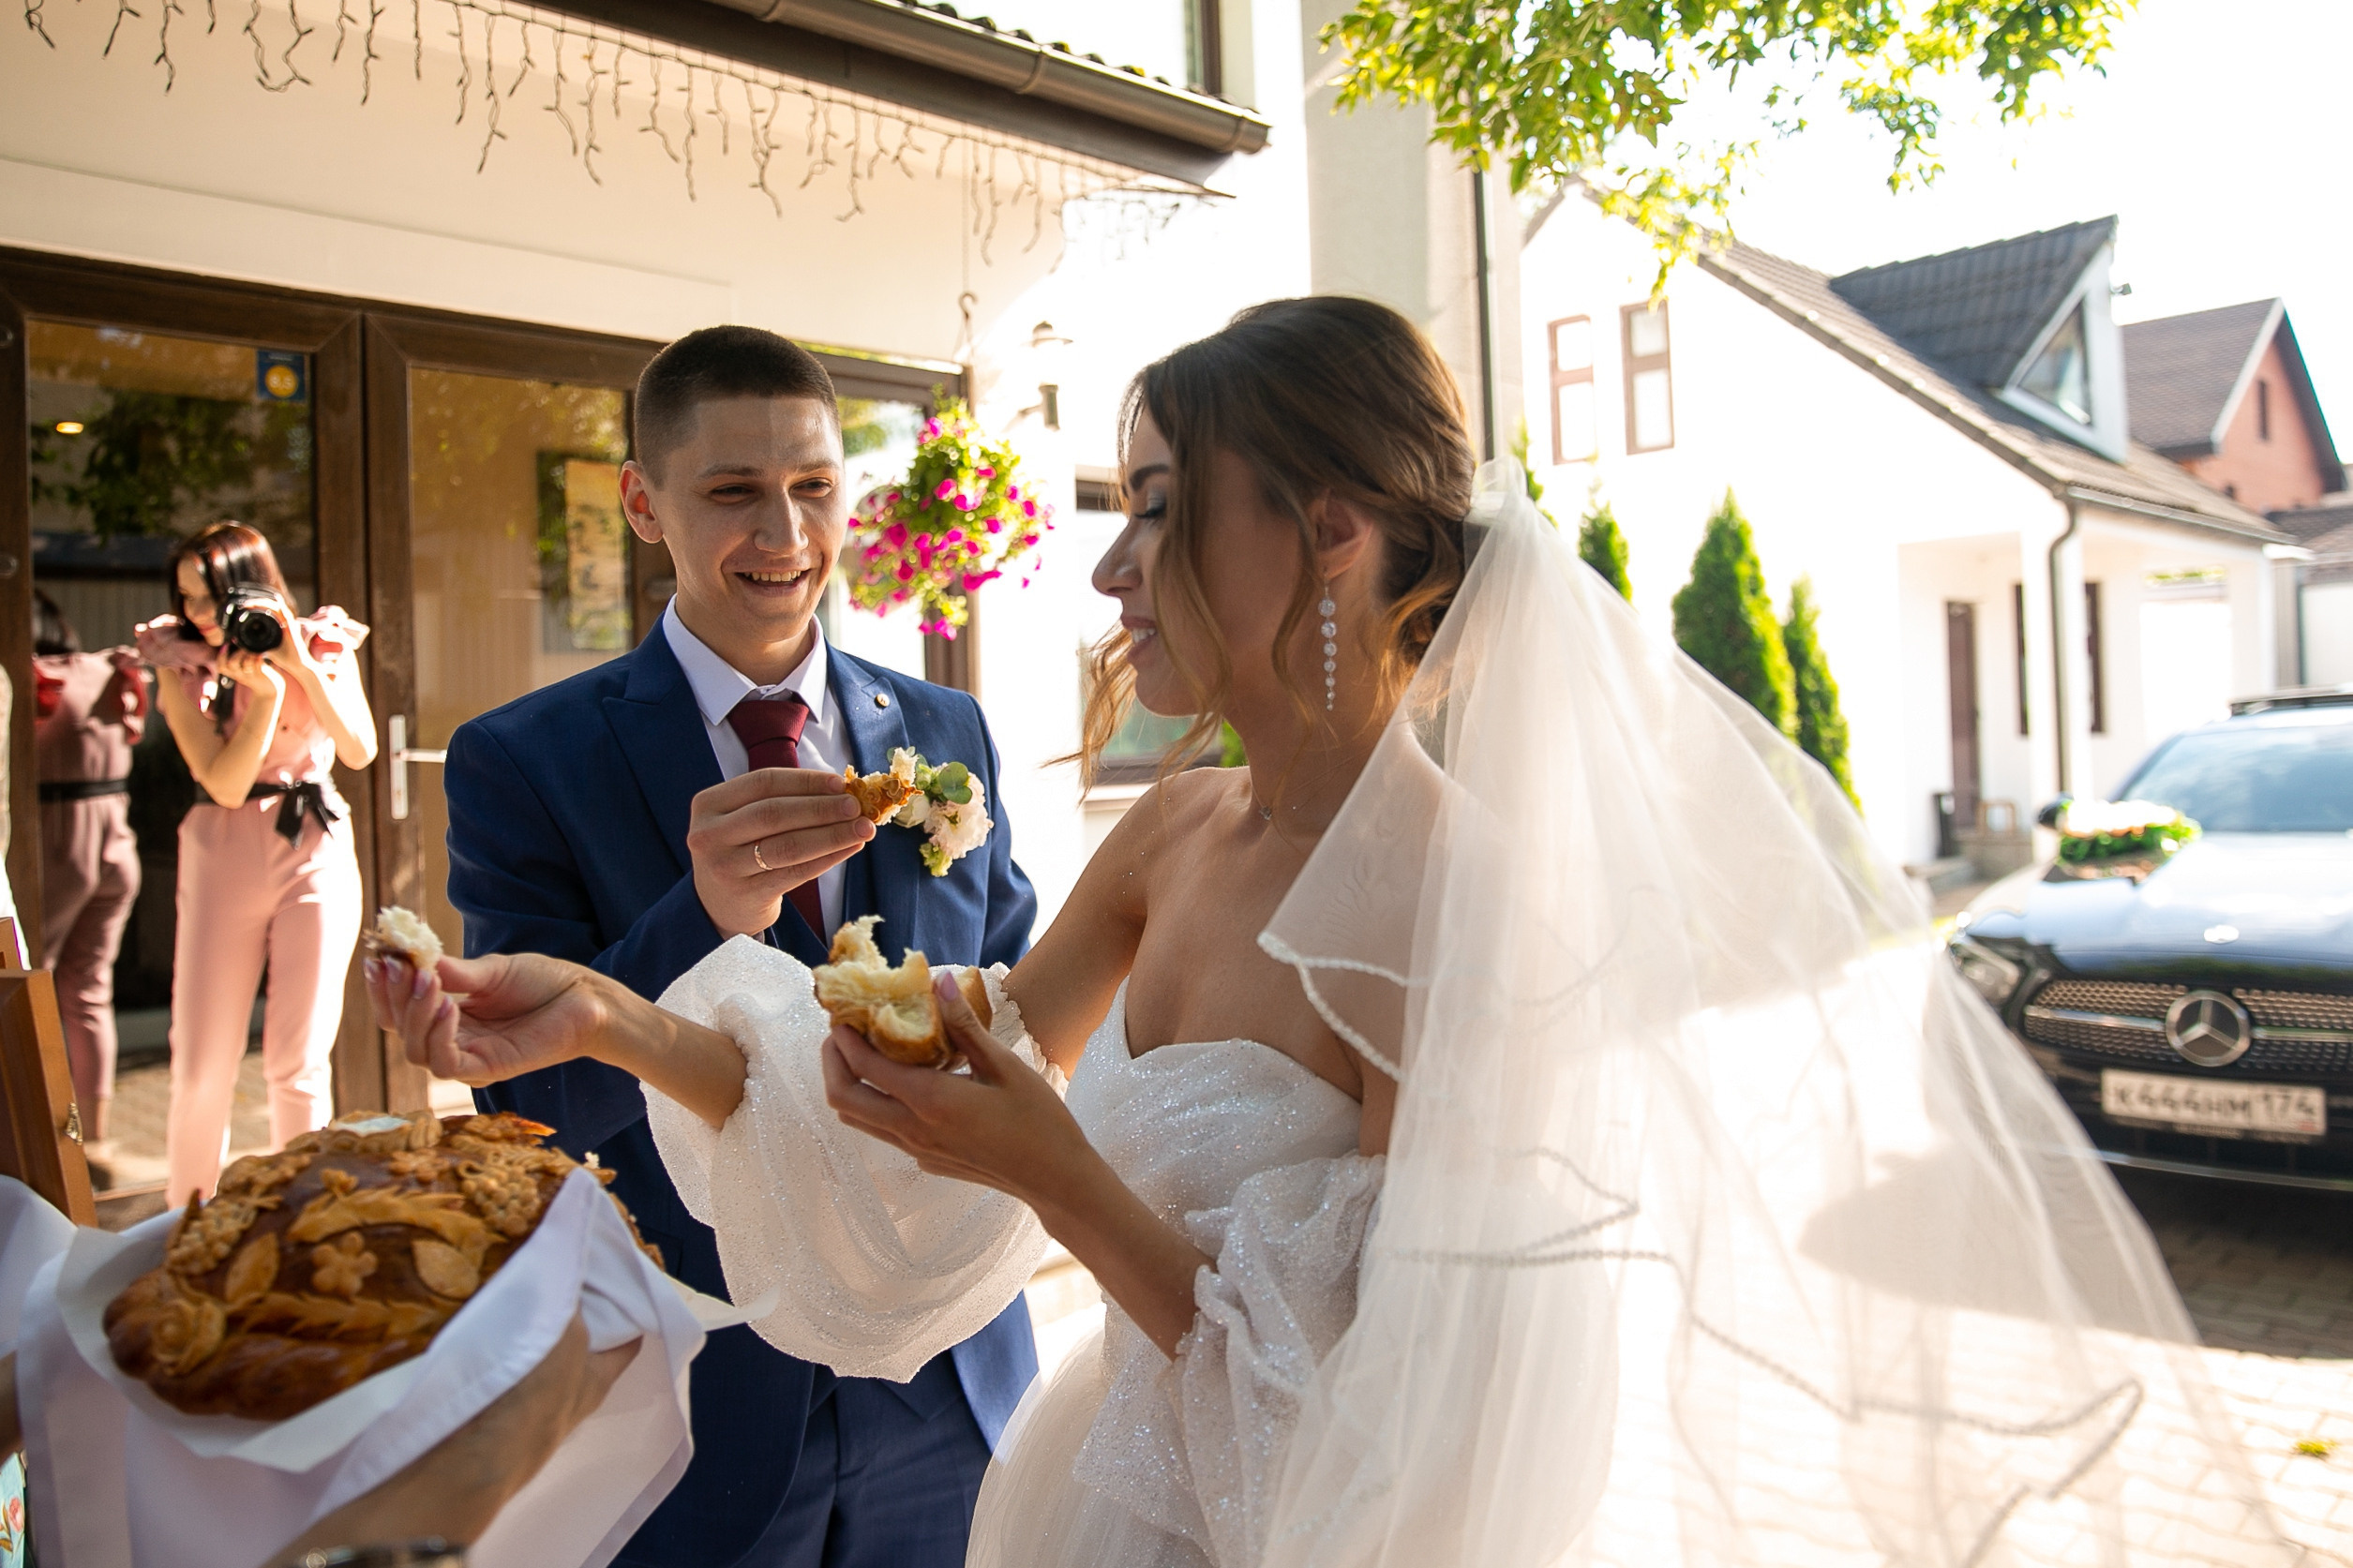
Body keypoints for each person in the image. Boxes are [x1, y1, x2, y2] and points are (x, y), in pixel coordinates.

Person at [376, 300, 2296, 1566]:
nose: (1109, 563)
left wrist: (1058, 1170)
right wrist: (612, 1013)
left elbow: (1381, 1432)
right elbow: (906, 1103)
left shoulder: (1472, 901)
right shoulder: (1171, 829)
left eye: (1155, 507)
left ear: (1330, 535)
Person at [428, 324, 1039, 1568]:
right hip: (699, 1394)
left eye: (813, 486)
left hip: (948, 1373)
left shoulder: (942, 727)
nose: (785, 532)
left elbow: (1024, 1012)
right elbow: (531, 1107)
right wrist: (699, 915)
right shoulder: (522, 760)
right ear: (641, 504)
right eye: (732, 491)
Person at [141, 523, 376, 1202]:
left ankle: (306, 1217)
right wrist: (265, 699)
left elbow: (358, 749)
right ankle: (187, 1218)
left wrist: (298, 666)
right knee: (202, 1062)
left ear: (251, 586)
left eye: (209, 596)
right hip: (224, 850)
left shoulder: (321, 641)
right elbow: (222, 783)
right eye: (185, 598)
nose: (197, 614)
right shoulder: (180, 661)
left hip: (315, 842)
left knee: (298, 1061)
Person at [31, 589, 148, 1183]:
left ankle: (40, 1130)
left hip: (60, 843)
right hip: (117, 845)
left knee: (32, 987)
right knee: (88, 991)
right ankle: (94, 1140)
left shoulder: (35, 678)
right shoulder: (109, 670)